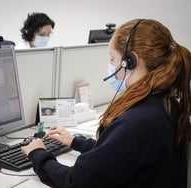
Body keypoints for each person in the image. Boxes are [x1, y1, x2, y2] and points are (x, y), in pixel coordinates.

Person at [21, 19, 191, 188]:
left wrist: (38, 154)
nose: (110, 65)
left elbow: (76, 182)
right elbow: (119, 155)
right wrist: (75, 141)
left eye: (112, 58)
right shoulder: (165, 104)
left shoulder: (134, 122)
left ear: (130, 60)